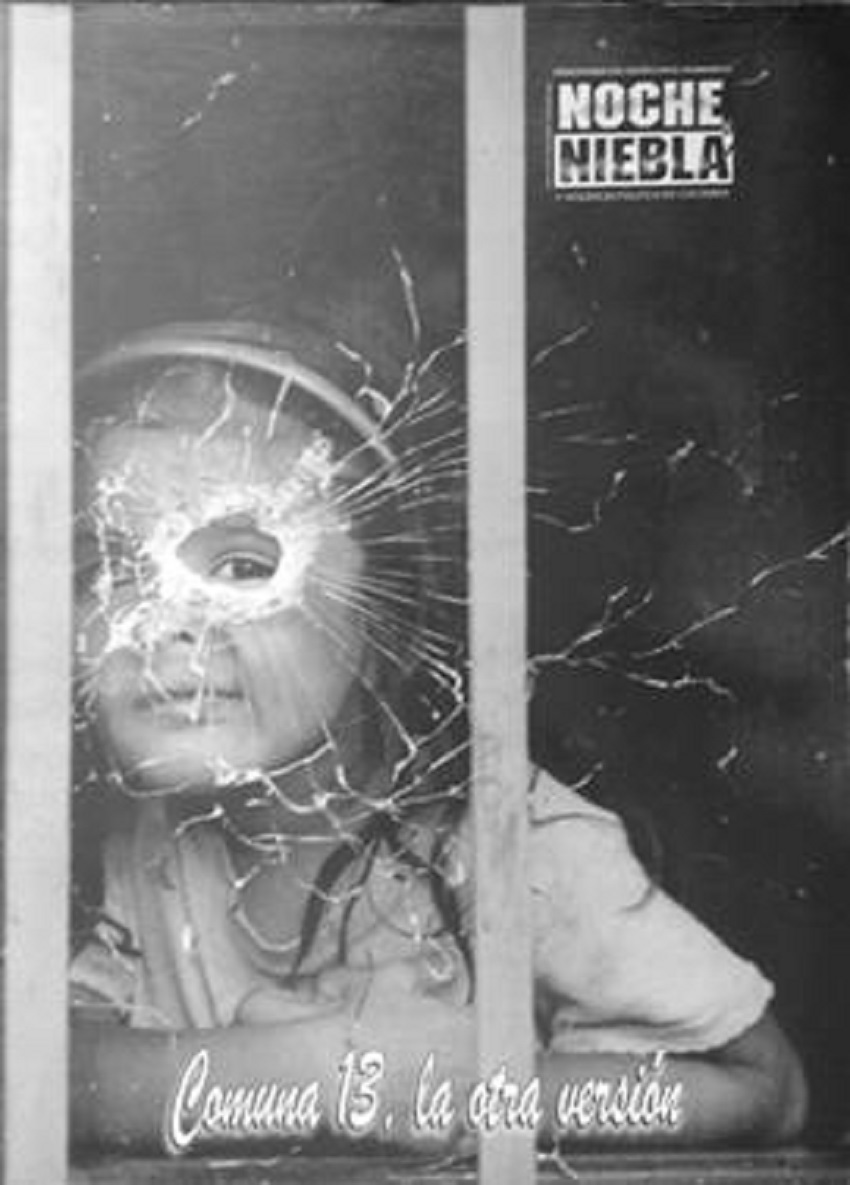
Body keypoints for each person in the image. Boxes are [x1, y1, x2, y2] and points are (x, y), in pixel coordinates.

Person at [70, 318, 807, 1156]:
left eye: (244, 564)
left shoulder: (514, 836)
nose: (156, 623)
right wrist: (321, 1073)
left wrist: (476, 1092)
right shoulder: (143, 847)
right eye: (109, 571)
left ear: (388, 617)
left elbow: (764, 1085)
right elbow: (43, 1077)